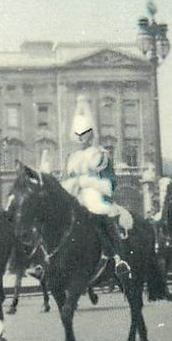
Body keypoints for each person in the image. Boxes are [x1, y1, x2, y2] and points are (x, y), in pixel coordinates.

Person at [61, 96, 133, 279]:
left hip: (95, 193)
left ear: (90, 134)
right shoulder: (72, 156)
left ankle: (117, 257)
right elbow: (66, 177)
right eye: (78, 135)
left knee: (98, 214)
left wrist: (90, 183)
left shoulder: (100, 154)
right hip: (74, 193)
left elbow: (110, 181)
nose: (81, 138)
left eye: (84, 134)